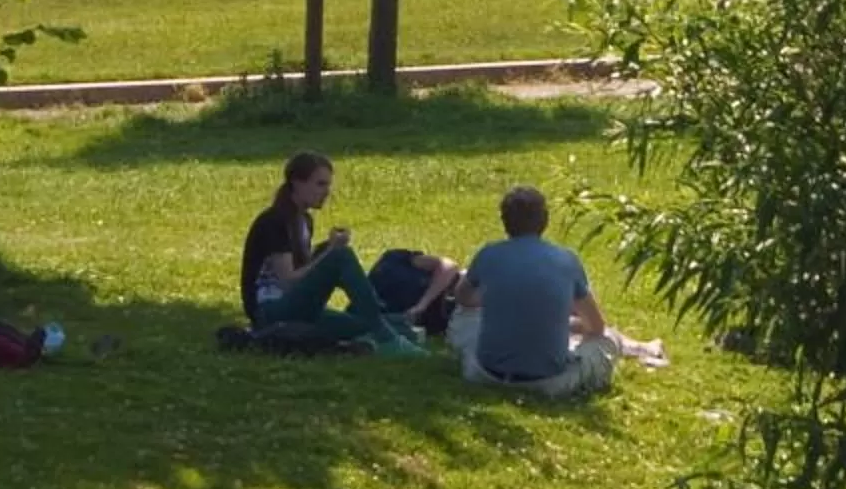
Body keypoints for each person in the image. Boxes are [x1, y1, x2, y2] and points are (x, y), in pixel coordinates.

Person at [239, 151, 416, 352]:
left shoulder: (304, 220)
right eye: (320, 184)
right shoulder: (275, 221)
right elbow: (288, 280)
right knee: (341, 257)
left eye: (328, 185)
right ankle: (387, 337)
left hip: (298, 308)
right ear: (297, 183)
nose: (327, 192)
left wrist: (325, 249)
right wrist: (330, 253)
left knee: (362, 324)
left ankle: (381, 322)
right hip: (271, 311)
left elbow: (304, 268)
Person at [453, 184, 616, 398]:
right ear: (545, 220)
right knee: (607, 341)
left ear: (505, 221)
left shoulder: (488, 254)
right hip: (548, 382)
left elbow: (462, 297)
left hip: (487, 374)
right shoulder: (566, 260)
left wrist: (499, 303)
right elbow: (596, 327)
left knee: (462, 316)